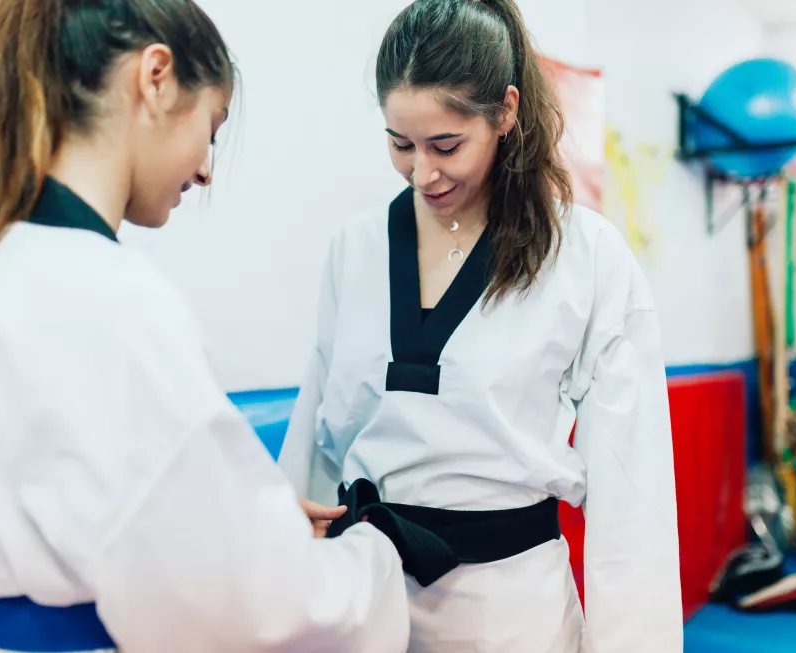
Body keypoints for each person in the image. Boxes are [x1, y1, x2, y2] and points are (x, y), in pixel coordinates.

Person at [0, 2, 409, 652]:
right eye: (210, 128)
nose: (206, 168)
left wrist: (235, 523)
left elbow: (71, 496)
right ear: (155, 77)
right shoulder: (108, 296)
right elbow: (253, 609)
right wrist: (369, 562)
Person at [277, 0, 683, 651]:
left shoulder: (584, 256)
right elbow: (319, 439)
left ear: (506, 113)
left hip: (509, 614)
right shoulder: (354, 249)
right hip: (367, 599)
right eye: (400, 144)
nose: (422, 172)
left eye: (446, 145)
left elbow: (631, 496)